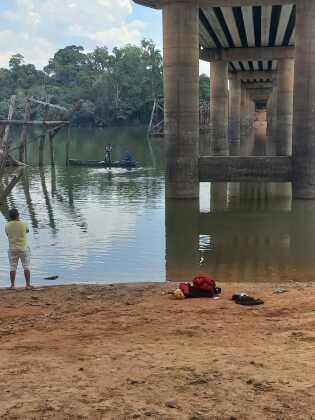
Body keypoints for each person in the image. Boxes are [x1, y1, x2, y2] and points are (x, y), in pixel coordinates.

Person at [5, 208, 31, 289]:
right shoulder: (23, 224)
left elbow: (7, 234)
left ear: (10, 217)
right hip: (23, 248)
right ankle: (27, 285)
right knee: (26, 266)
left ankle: (12, 285)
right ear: (18, 215)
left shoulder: (7, 225)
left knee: (12, 267)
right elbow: (27, 231)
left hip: (12, 249)